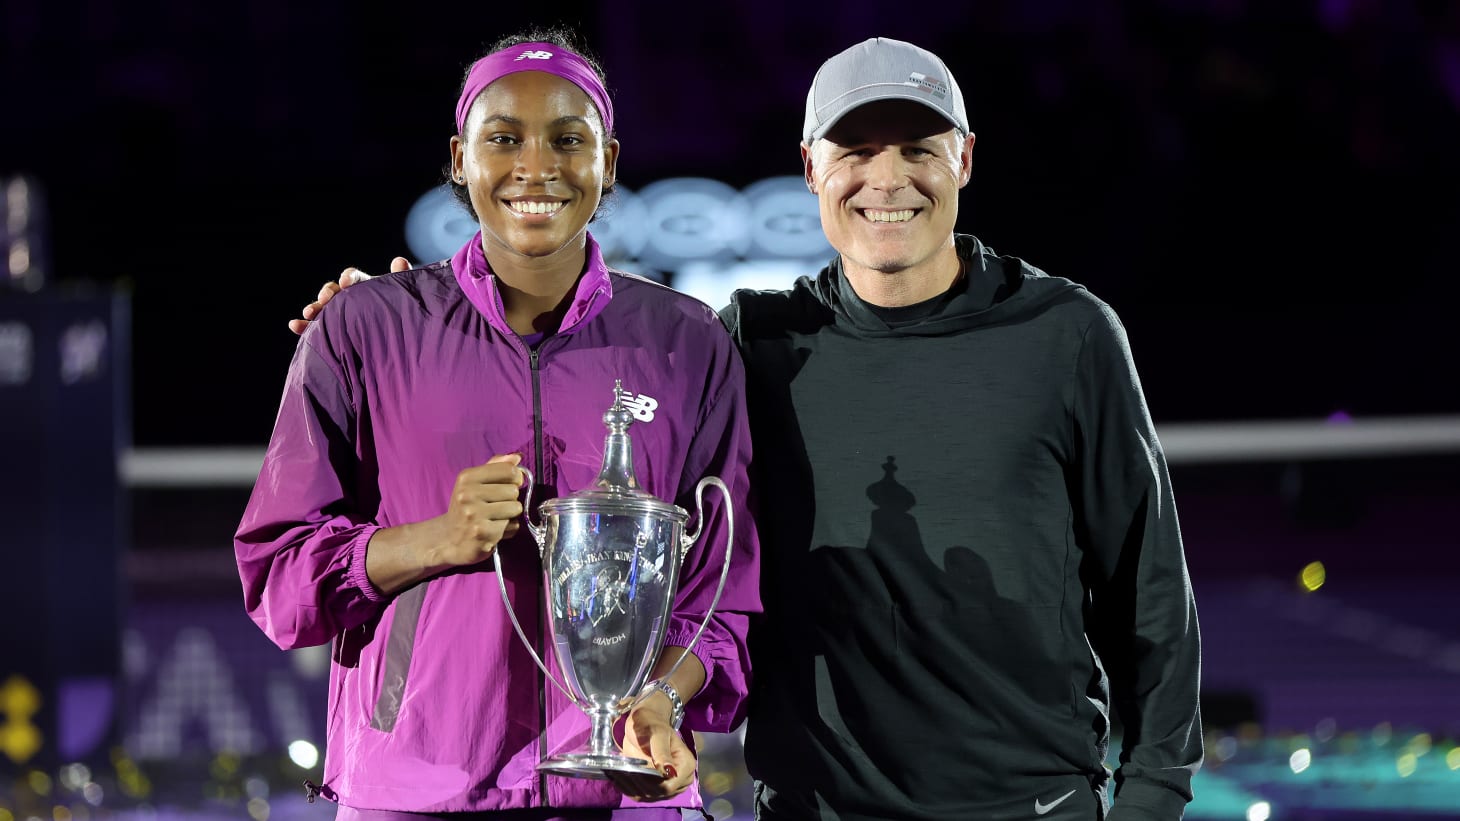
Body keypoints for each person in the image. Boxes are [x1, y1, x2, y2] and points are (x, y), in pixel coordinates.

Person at [296, 36, 1202, 821]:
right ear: (811, 168)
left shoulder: (1067, 335)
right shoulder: (752, 342)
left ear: (963, 159)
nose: (887, 179)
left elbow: (1149, 583)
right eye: (856, 150)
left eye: (918, 150)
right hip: (812, 804)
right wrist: (393, 314)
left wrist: (1154, 791)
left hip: (1031, 802)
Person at [238, 27, 760, 820]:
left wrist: (660, 704)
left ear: (609, 162)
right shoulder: (364, 327)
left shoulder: (688, 342)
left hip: (624, 795)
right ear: (460, 158)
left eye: (569, 139)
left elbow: (724, 594)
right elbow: (278, 576)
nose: (536, 166)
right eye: (504, 138)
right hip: (417, 793)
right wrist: (432, 539)